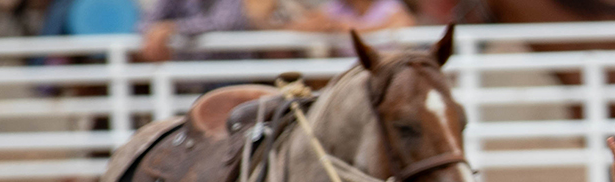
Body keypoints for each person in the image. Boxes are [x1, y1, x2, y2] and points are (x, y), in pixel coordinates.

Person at [139, 0, 257, 62]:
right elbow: (145, 24)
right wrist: (155, 32)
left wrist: (173, 28)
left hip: (226, 76)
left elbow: (224, 23)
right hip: (182, 78)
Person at [285, 0, 416, 34]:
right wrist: (326, 26)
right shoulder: (336, 8)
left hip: (382, 66)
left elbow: (405, 23)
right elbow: (299, 25)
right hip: (345, 69)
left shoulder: (387, 5)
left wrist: (355, 29)